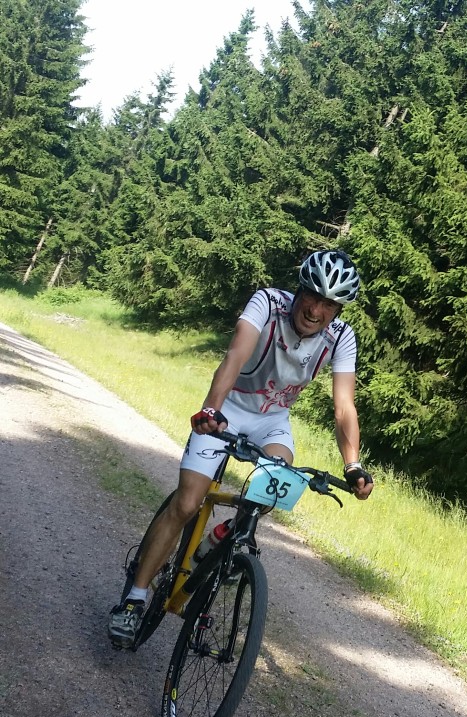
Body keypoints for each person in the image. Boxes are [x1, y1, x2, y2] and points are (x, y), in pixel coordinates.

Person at [108, 249, 374, 648]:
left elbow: (344, 406)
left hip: (272, 420)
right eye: (311, 296)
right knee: (187, 503)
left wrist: (352, 464)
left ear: (338, 310)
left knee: (274, 487)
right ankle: (134, 599)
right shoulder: (268, 302)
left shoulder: (342, 337)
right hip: (228, 408)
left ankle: (216, 543)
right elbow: (235, 355)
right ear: (299, 289)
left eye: (329, 304)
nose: (315, 310)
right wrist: (211, 408)